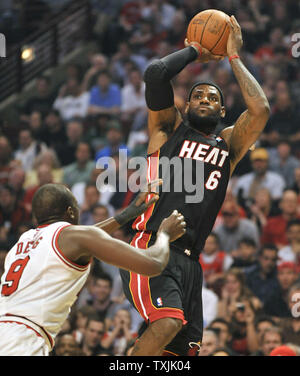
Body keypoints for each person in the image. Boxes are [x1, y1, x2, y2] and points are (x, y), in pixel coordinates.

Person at [120, 15, 270, 356]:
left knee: (180, 353)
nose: (204, 99)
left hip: (191, 261)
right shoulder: (168, 129)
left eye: (213, 97)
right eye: (198, 95)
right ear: (186, 106)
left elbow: (260, 109)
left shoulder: (228, 145)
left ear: (221, 110)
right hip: (152, 247)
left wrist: (233, 56)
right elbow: (156, 73)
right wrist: (195, 50)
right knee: (168, 322)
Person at [0, 182, 186, 355]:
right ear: (71, 212)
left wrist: (125, 215)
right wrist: (164, 235)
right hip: (22, 339)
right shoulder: (73, 237)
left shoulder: (23, 240)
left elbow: (86, 238)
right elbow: (154, 264)